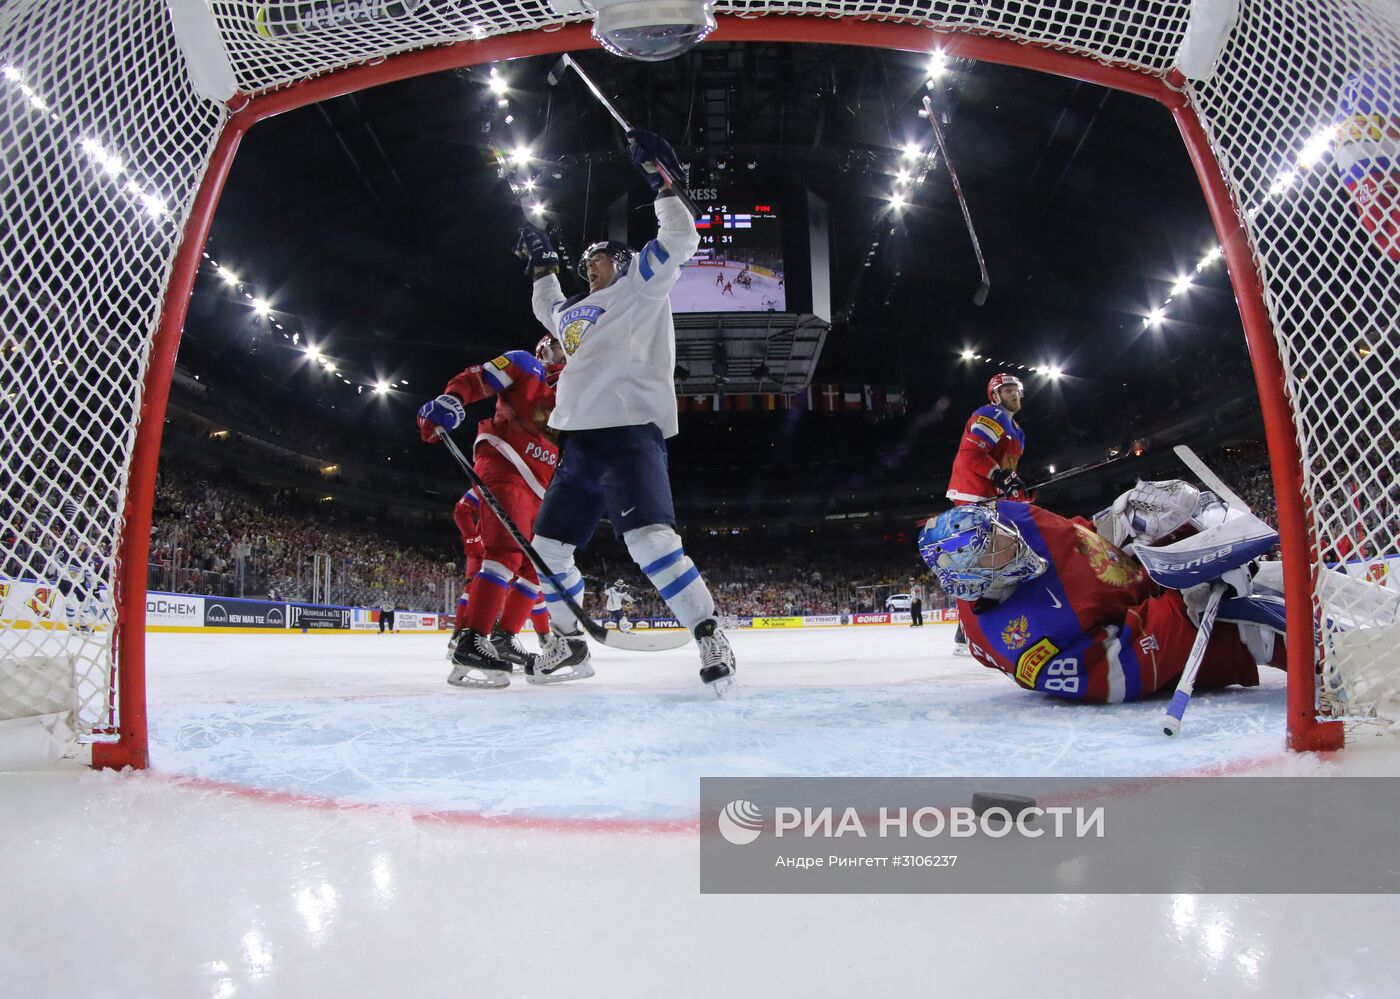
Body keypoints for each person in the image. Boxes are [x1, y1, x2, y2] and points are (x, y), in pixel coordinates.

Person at [513, 127, 737, 696]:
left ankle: (709, 633)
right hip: (579, 444)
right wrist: (541, 262)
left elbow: (680, 235)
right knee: (547, 550)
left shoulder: (642, 285)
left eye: (601, 259)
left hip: (631, 434)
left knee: (651, 542)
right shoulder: (571, 314)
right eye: (584, 262)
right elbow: (547, 304)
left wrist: (661, 181)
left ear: (626, 259)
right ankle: (567, 641)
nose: (591, 266)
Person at [916, 498, 1279, 704]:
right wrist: (1188, 606)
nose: (1009, 539)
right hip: (1167, 622)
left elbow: (1074, 532)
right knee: (1255, 625)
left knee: (1280, 575)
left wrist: (1118, 523)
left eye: (996, 533)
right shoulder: (1017, 640)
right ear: (973, 578)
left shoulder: (1008, 517)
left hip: (1146, 570)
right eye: (992, 549)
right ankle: (1324, 654)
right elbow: (1119, 670)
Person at [417, 335, 593, 689]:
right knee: (505, 555)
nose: (569, 351)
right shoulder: (525, 365)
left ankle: (502, 638)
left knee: (533, 568)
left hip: (545, 488)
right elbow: (475, 379)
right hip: (507, 465)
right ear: (544, 349)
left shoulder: (580, 394)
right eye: (561, 345)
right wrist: (451, 399)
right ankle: (471, 640)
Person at [945, 372, 1031, 656]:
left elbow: (1007, 470)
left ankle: (968, 628)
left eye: (1016, 389)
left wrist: (1019, 491)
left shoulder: (1017, 430)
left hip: (992, 497)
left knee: (1002, 558)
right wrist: (998, 475)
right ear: (995, 395)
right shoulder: (991, 414)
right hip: (974, 493)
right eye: (1007, 390)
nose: (1014, 394)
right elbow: (970, 454)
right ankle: (968, 630)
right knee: (990, 559)